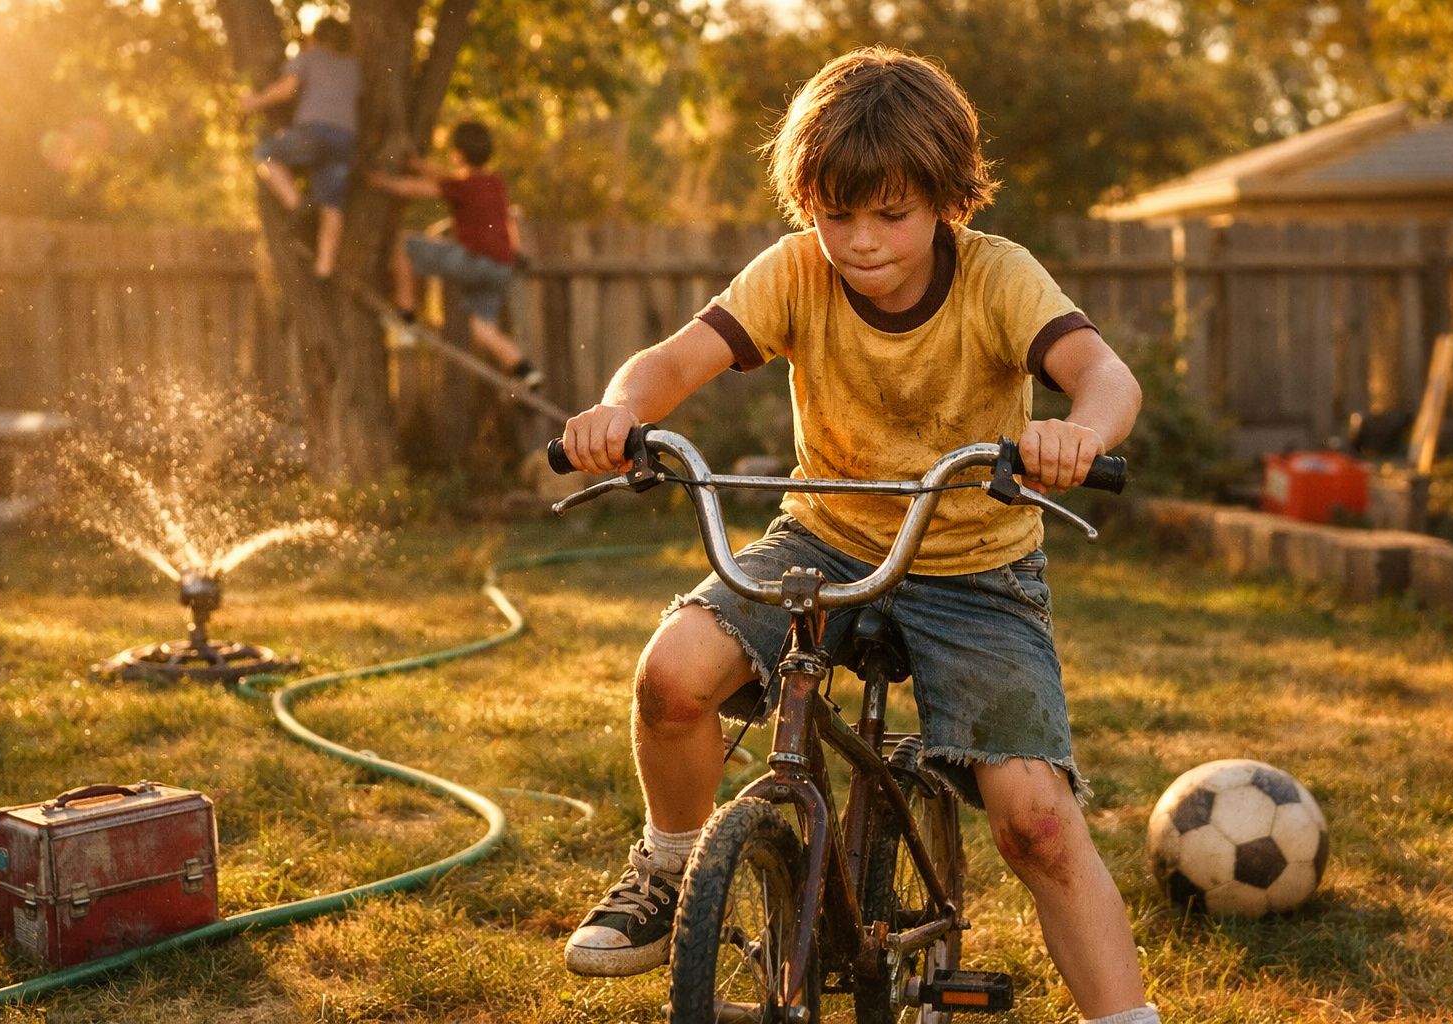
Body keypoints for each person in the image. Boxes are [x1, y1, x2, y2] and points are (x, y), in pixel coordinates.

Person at [558, 46, 1158, 1024]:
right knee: (672, 676)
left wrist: (1077, 430)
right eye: (838, 215)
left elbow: (1107, 376)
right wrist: (618, 412)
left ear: (947, 202)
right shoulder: (796, 272)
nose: (863, 241)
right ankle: (669, 866)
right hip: (824, 534)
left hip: (976, 565)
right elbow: (668, 363)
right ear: (808, 206)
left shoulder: (998, 278)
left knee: (1037, 822)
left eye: (892, 214)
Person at [368, 121, 542, 390]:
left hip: (474, 261)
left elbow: (417, 189)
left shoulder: (462, 186)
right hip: (502, 268)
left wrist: (381, 182)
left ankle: (406, 317)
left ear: (457, 153)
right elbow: (448, 177)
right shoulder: (495, 183)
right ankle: (526, 372)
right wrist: (418, 165)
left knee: (403, 243)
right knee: (483, 329)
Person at [241, 16, 360, 279]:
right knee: (332, 204)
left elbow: (286, 90)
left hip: (314, 132)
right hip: (344, 140)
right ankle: (324, 267)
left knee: (265, 154)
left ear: (315, 37)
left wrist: (255, 102)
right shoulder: (352, 67)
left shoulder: (310, 57)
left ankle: (298, 205)